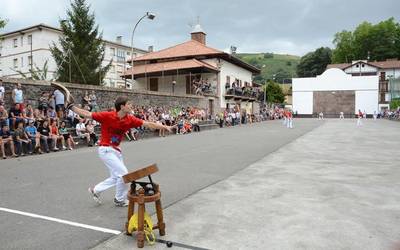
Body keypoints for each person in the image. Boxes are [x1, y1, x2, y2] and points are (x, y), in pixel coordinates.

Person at [66, 94, 174, 207]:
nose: (131, 106)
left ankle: (96, 190)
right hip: (106, 150)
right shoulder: (107, 116)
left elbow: (147, 123)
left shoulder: (130, 119)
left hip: (117, 151)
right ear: (122, 106)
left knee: (116, 177)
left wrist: (164, 127)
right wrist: (71, 107)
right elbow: (87, 114)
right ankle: (119, 199)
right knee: (123, 174)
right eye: (129, 104)